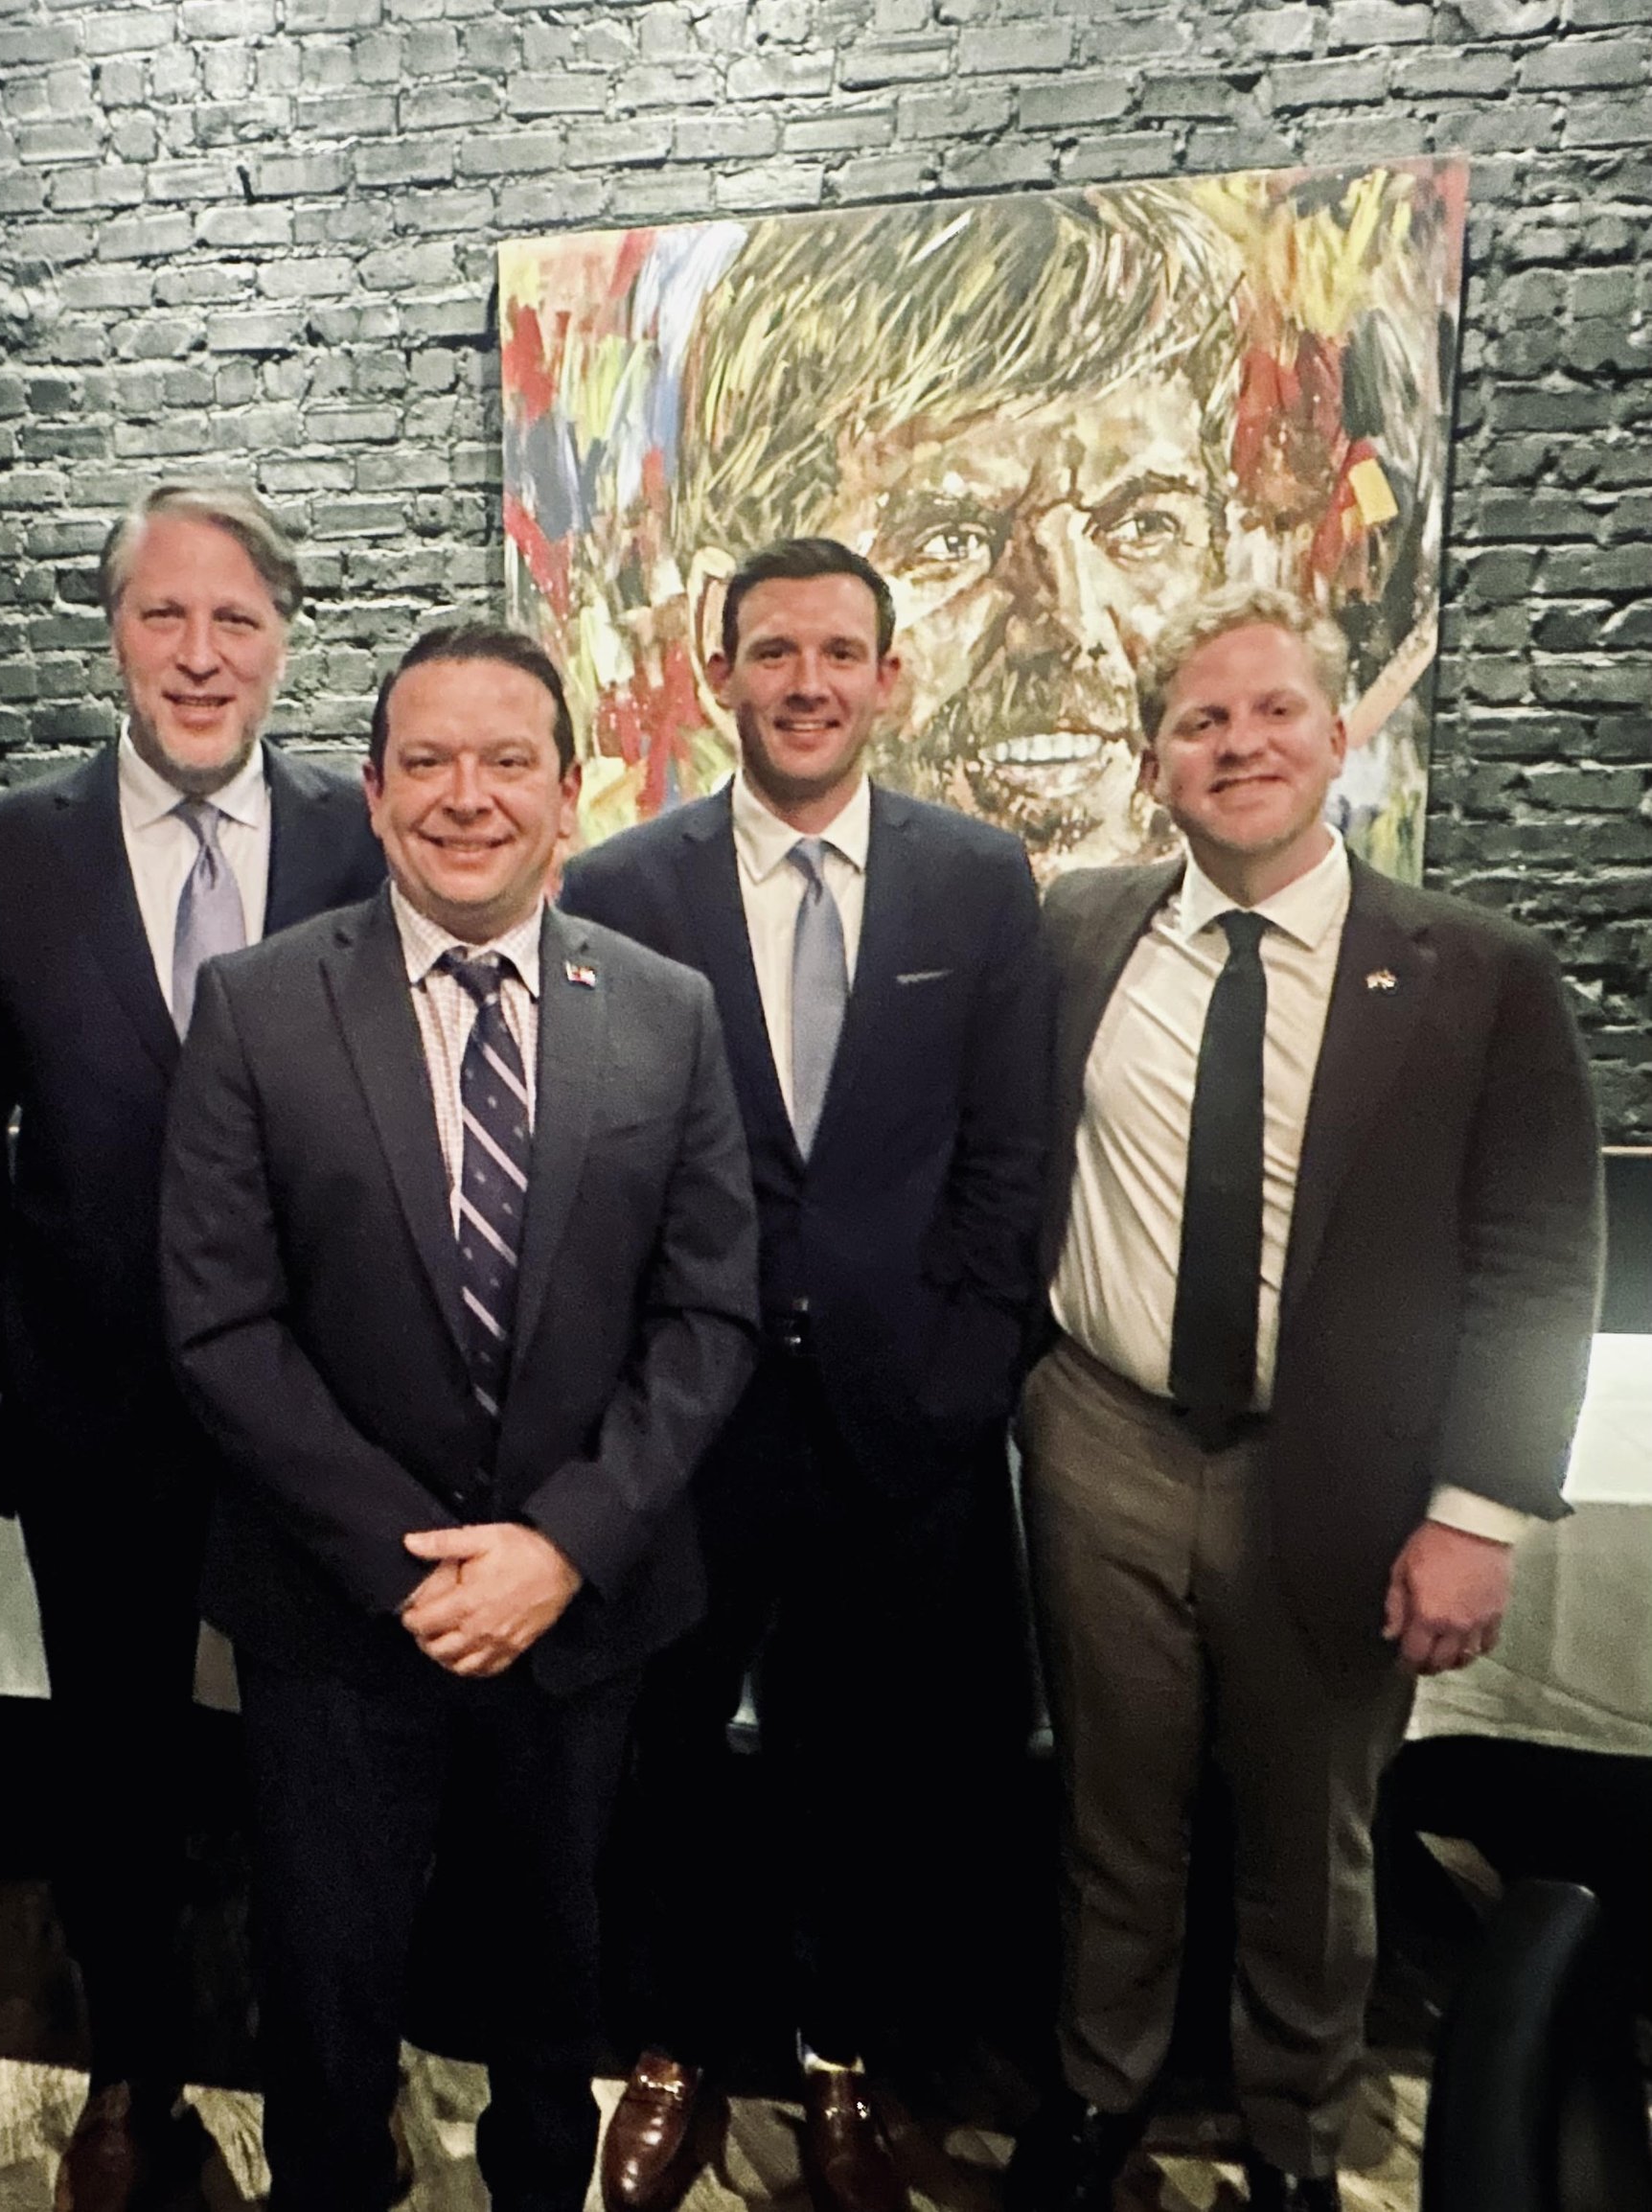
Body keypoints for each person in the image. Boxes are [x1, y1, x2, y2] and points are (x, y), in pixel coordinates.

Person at [1008, 586, 1603, 2212]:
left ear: (1341, 737)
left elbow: (1539, 1258)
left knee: (1313, 1839)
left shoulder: (1478, 973)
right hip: (1102, 1437)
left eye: (1275, 710)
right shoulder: (1077, 932)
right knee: (1112, 1815)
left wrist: (1477, 1513)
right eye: (1200, 720)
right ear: (1156, 761)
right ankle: (1099, 2090)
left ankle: (1293, 2138)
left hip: (1341, 1471)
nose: (1241, 743)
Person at [160, 623, 760, 2211]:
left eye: (507, 761)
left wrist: (558, 1548)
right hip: (335, 1612)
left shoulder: (668, 1011)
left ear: (569, 790)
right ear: (372, 792)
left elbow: (709, 1313)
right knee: (326, 1990)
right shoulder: (256, 1006)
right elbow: (220, 1322)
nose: (466, 795)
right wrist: (414, 1563)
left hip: (582, 1613)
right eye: (425, 761)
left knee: (556, 1989)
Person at [562, 538, 1054, 2212]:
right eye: (773, 650)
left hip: (904, 1419)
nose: (807, 682)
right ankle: (679, 2045)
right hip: (693, 1423)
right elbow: (601, 1169)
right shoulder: (622, 888)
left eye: (840, 651)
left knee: (876, 1761)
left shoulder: (979, 883)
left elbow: (1008, 1159)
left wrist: (966, 1375)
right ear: (720, 676)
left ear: (889, 679)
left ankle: (843, 2052)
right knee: (674, 1751)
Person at [0, 482, 382, 2206]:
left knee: (321, 1767)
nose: (200, 653)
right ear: (114, 630)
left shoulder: (359, 838)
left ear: (285, 639)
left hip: (322, 1419)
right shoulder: (11, 852)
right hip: (94, 1409)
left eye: (236, 618)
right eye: (164, 614)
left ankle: (336, 2081)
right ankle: (132, 2068)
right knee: (111, 1762)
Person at [672, 189, 1247, 868]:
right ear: (720, 637)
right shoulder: (639, 907)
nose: (1070, 624)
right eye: (951, 542)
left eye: (1144, 526)